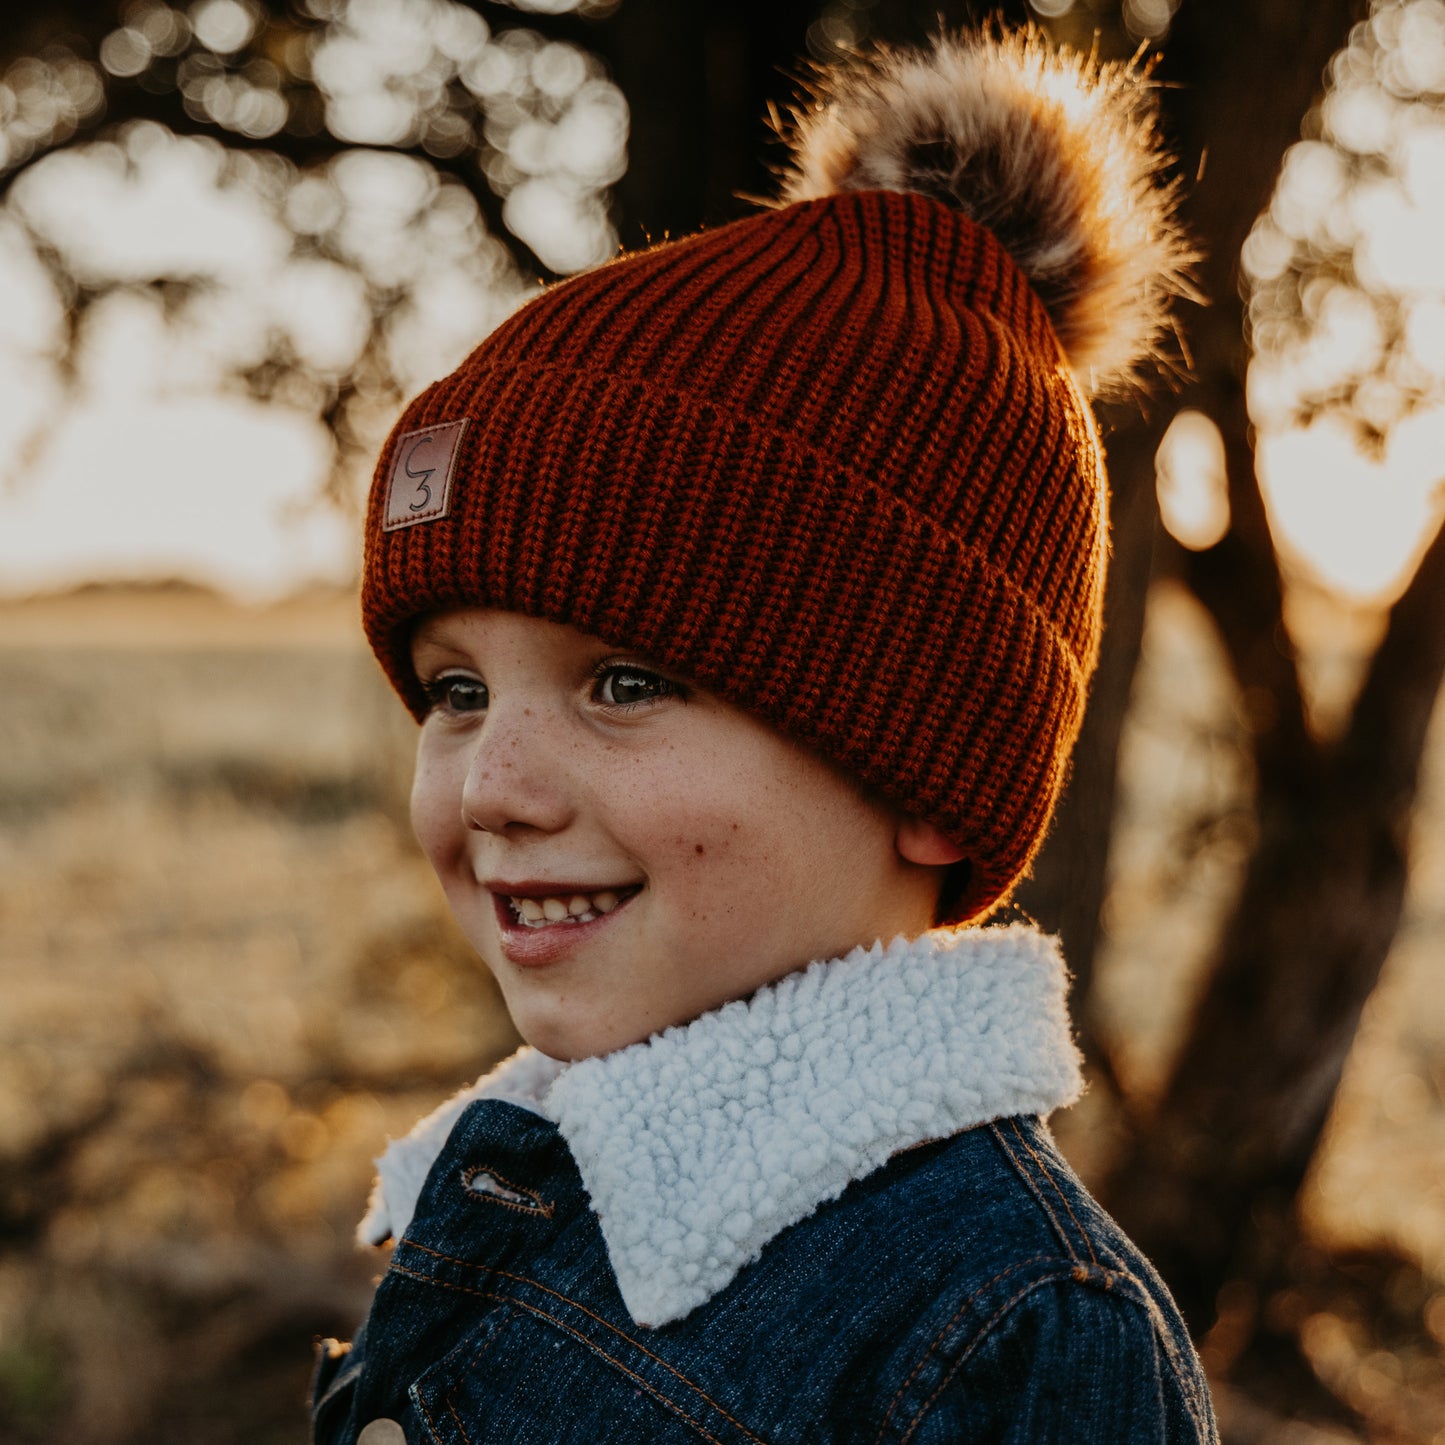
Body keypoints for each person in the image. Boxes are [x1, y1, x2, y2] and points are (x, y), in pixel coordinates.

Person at [312, 23, 1216, 1444]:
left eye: (622, 683)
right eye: (455, 690)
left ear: (926, 762)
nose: (490, 785)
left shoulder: (1011, 1329)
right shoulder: (519, 1176)